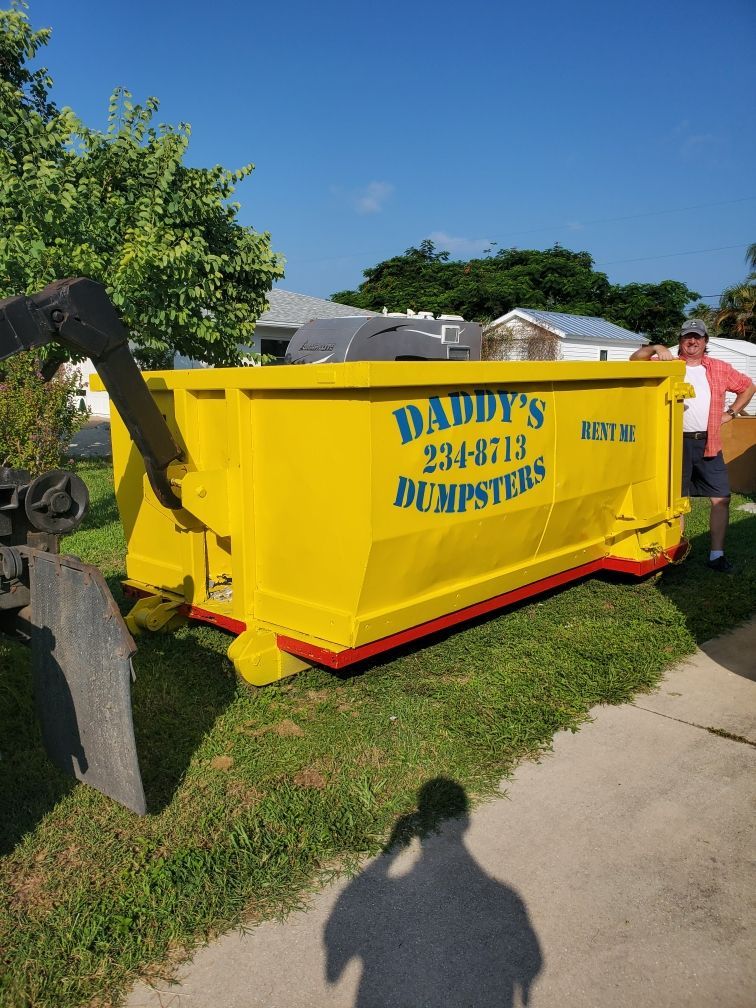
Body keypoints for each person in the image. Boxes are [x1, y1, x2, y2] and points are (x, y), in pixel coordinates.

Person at [630, 320, 755, 572]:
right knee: (677, 500)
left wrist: (730, 412)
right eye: (688, 336)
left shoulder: (719, 368)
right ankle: (677, 551)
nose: (692, 341)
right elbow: (635, 361)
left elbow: (748, 387)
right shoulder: (667, 365)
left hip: (709, 442)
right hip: (674, 443)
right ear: (681, 340)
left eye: (697, 337)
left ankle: (716, 555)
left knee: (721, 498)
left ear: (705, 341)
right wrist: (655, 347)